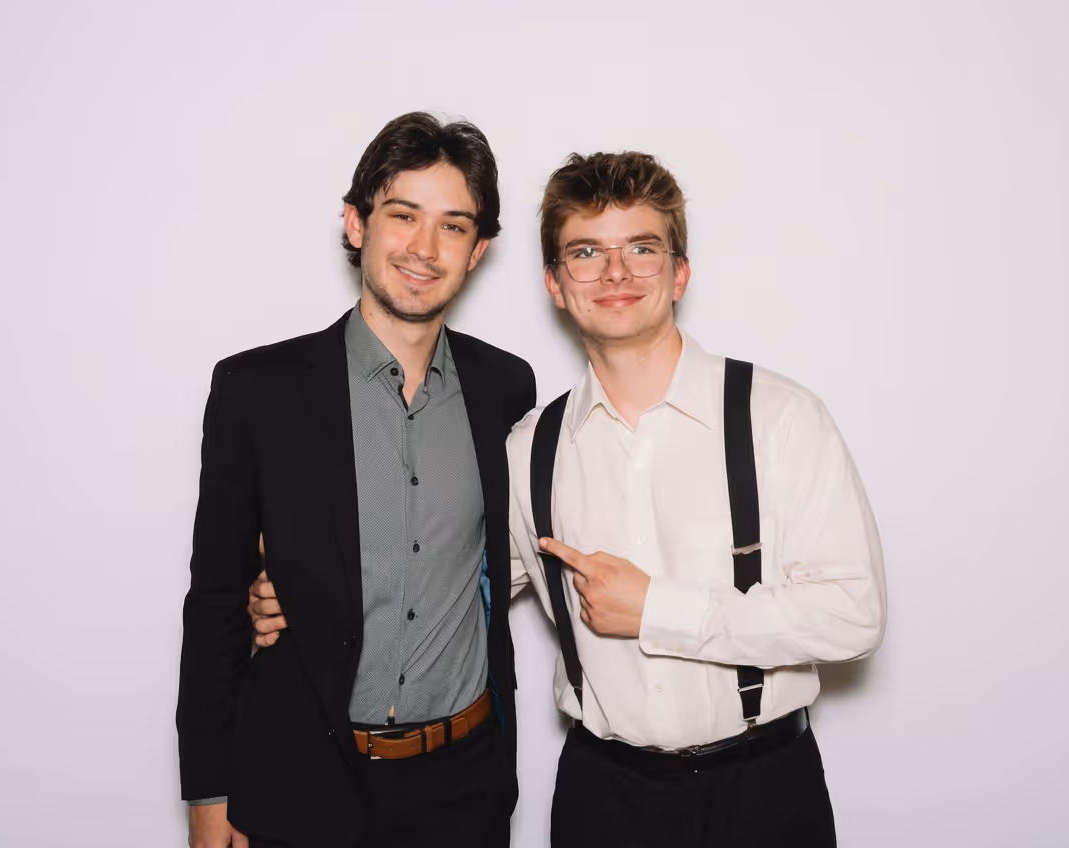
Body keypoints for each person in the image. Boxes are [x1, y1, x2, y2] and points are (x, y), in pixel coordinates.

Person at [251, 151, 885, 847]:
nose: (615, 273)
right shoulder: (528, 449)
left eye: (641, 248)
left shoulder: (779, 418)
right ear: (554, 283)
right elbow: (451, 581)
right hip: (602, 800)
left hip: (763, 790)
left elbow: (853, 616)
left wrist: (659, 609)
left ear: (679, 272)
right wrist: (307, 591)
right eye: (586, 252)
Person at [178, 112, 535, 848]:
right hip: (303, 782)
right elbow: (214, 603)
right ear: (356, 222)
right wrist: (209, 792)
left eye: (453, 226)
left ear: (478, 250)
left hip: (463, 788)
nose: (424, 248)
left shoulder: (506, 389)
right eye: (403, 215)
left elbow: (492, 562)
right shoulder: (257, 392)